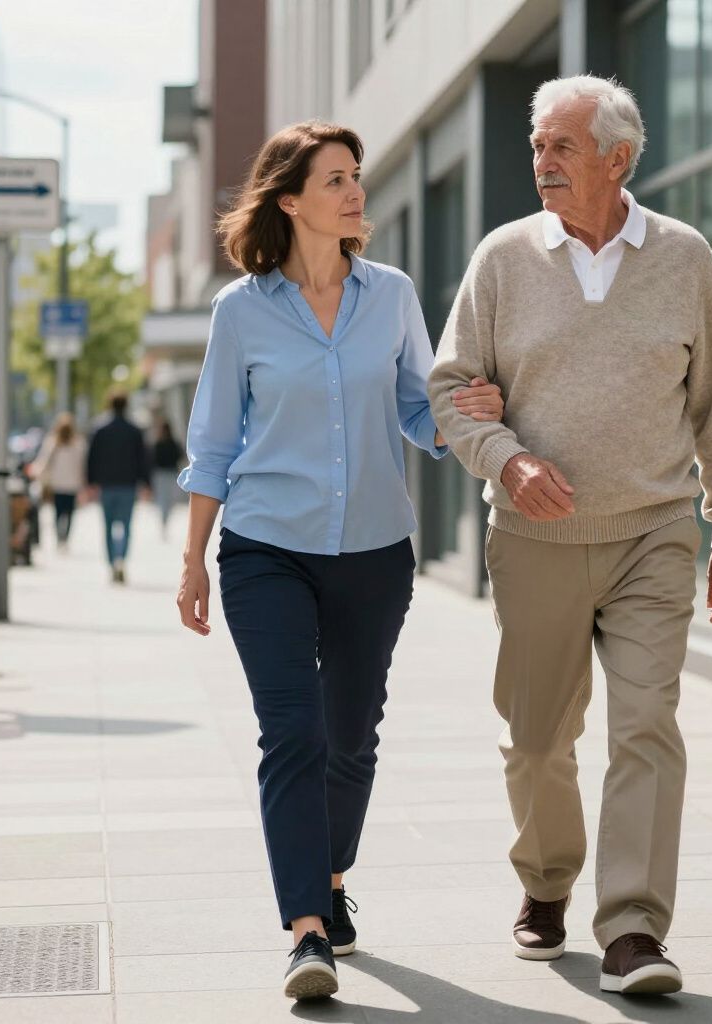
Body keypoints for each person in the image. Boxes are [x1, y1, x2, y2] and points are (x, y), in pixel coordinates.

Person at [428, 75, 712, 997]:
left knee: (648, 723)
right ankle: (546, 883)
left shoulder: (684, 259)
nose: (541, 162)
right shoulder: (502, 260)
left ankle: (634, 930)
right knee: (537, 739)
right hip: (535, 540)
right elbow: (450, 388)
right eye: (537, 145)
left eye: (560, 147)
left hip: (654, 528)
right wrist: (506, 459)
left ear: (617, 159)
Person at [174, 120, 504, 1002]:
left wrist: (460, 413)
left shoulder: (390, 296)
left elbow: (414, 407)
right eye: (335, 180)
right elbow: (213, 442)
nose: (356, 192)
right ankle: (307, 933)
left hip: (372, 548)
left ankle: (329, 879)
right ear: (290, 201)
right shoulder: (240, 311)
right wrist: (193, 559)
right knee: (293, 732)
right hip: (263, 548)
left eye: (356, 177)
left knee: (351, 735)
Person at [86, 391, 150, 584]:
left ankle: (112, 561)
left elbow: (92, 458)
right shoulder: (135, 430)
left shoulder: (100, 429)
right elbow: (143, 459)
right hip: (128, 485)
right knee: (126, 526)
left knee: (108, 526)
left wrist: (90, 482)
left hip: (106, 485)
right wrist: (146, 483)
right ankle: (121, 559)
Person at [32, 412, 87, 549]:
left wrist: (38, 473)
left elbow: (44, 461)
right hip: (72, 484)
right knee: (69, 513)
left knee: (58, 512)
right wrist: (83, 482)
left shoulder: (53, 442)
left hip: (57, 484)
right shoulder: (78, 443)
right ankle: (65, 538)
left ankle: (59, 537)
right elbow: (82, 464)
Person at [150, 420, 184, 538]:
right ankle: (164, 521)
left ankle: (165, 519)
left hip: (170, 473)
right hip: (161, 474)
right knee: (163, 499)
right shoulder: (158, 444)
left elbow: (180, 456)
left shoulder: (172, 443)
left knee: (170, 500)